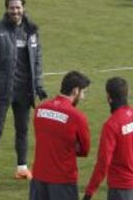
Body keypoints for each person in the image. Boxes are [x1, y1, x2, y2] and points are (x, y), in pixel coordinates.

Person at [0, 0, 47, 184]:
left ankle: (22, 168)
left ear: (23, 8)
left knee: (23, 129)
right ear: (6, 9)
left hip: (24, 90)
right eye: (12, 8)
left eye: (18, 8)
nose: (15, 11)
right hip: (2, 90)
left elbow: (37, 60)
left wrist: (38, 85)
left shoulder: (32, 30)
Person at [82, 77, 133, 200]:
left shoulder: (111, 125)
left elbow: (103, 162)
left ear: (108, 97)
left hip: (121, 187)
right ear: (127, 93)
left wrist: (90, 191)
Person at [29, 71, 91, 200]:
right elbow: (84, 150)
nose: (83, 97)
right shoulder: (77, 117)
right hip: (63, 181)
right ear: (75, 91)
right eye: (83, 92)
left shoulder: (40, 110)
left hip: (38, 178)